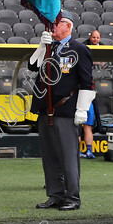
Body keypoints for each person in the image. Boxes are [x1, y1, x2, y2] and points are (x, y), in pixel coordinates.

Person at [29, 16, 95, 211]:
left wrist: (82, 109)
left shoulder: (80, 50)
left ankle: (72, 197)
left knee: (68, 157)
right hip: (45, 109)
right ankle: (55, 195)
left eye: (56, 24)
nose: (52, 28)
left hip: (65, 109)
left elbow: (87, 82)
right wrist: (42, 47)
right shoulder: (49, 47)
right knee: (50, 157)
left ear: (68, 26)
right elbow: (32, 66)